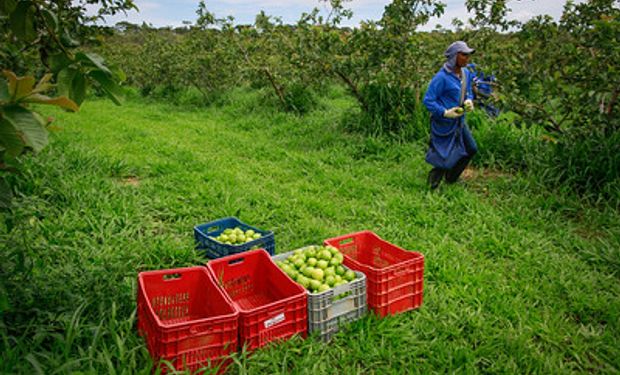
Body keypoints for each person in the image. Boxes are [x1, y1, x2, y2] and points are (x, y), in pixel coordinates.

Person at [423, 41, 478, 190]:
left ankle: (451, 178)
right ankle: (433, 184)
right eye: (464, 55)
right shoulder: (441, 77)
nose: (467, 58)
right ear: (454, 57)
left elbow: (468, 91)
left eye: (468, 55)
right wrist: (445, 112)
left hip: (459, 120)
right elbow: (428, 100)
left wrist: (469, 99)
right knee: (444, 154)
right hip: (444, 122)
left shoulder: (465, 73)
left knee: (471, 148)